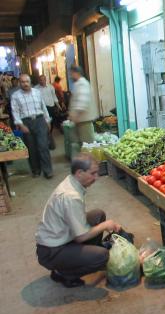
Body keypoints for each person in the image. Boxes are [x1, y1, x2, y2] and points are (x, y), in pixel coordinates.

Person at [35, 153, 121, 288]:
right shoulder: (71, 196)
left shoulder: (71, 182)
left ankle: (82, 256)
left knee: (98, 215)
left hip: (62, 238)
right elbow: (81, 237)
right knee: (102, 256)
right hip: (52, 251)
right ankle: (63, 273)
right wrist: (105, 225)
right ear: (80, 172)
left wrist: (102, 223)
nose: (96, 178)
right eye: (93, 174)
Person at [10, 73, 53, 178]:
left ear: (30, 82)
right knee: (31, 148)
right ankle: (36, 170)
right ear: (20, 83)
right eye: (22, 82)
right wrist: (20, 124)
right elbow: (15, 112)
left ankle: (47, 170)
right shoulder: (15, 96)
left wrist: (48, 121)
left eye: (27, 81)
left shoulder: (37, 92)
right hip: (26, 123)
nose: (25, 84)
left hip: (39, 120)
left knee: (43, 146)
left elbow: (43, 107)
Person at [68, 65, 95, 144]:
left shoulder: (82, 84)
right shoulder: (79, 84)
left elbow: (81, 103)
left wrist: (73, 116)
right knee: (83, 147)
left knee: (87, 147)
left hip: (84, 122)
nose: (70, 76)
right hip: (80, 122)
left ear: (76, 73)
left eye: (71, 73)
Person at [34, 74, 61, 148]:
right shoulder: (35, 89)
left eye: (43, 79)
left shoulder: (51, 87)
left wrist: (58, 105)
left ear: (45, 80)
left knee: (51, 123)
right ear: (38, 80)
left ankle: (49, 134)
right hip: (41, 109)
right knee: (43, 123)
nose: (42, 81)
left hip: (51, 107)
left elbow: (54, 96)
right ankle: (45, 137)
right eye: (40, 80)